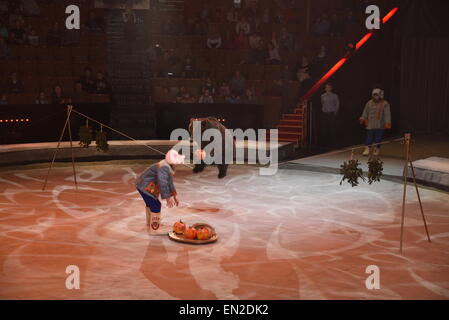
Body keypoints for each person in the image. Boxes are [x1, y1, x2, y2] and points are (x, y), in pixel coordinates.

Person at [135, 149, 183, 234]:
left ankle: (151, 223)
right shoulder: (164, 167)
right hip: (145, 186)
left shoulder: (168, 166)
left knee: (151, 204)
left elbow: (170, 182)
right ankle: (155, 228)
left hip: (144, 185)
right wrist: (168, 197)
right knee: (156, 205)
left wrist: (174, 196)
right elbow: (163, 182)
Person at [359, 88, 391, 156]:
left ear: (380, 95)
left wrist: (387, 122)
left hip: (380, 124)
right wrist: (363, 118)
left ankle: (376, 149)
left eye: (377, 95)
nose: (375, 97)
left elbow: (387, 114)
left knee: (378, 138)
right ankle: (367, 149)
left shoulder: (385, 103)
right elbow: (365, 111)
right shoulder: (369, 103)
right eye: (374, 95)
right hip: (370, 124)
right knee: (369, 137)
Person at [320, 83, 340, 148]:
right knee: (324, 129)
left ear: (331, 88)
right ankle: (325, 144)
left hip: (331, 114)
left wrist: (335, 112)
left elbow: (337, 104)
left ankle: (333, 143)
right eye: (326, 87)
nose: (327, 88)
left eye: (328, 87)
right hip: (325, 114)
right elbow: (322, 104)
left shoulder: (334, 96)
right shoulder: (322, 96)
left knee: (332, 128)